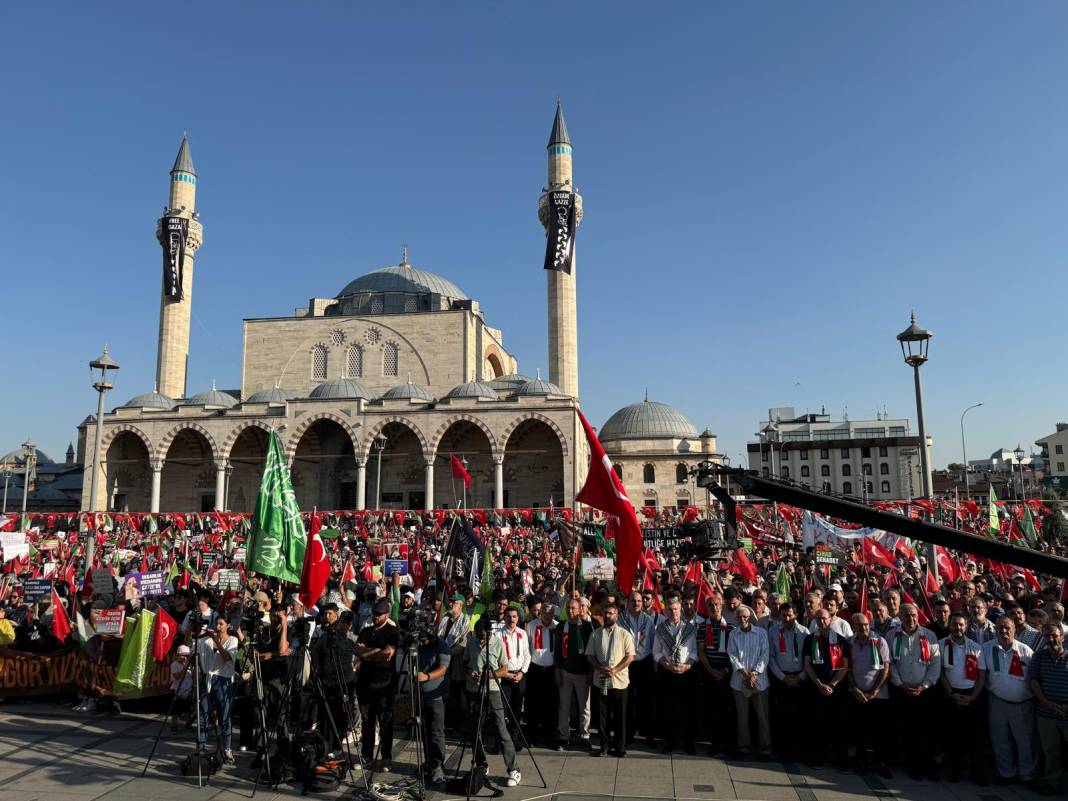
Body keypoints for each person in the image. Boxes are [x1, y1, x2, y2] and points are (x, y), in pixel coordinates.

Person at [464, 616, 521, 788]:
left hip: (493, 690)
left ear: (490, 633)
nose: (482, 639)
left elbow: (504, 669)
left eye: (485, 637)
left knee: (500, 728)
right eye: (479, 636)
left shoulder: (497, 643)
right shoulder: (471, 642)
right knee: (474, 729)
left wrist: (487, 675)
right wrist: (471, 673)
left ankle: (513, 769)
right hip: (474, 690)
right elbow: (465, 663)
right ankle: (481, 763)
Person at [983, 616, 1040, 788]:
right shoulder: (986, 649)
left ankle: (1027, 775)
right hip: (997, 701)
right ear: (995, 629)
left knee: (1026, 742)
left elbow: (1035, 678)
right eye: (1000, 627)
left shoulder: (1026, 651)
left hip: (1022, 704)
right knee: (1000, 740)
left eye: (1007, 627)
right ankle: (1006, 773)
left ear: (1015, 630)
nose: (1004, 631)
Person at [889, 603, 941, 781]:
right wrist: (899, 683)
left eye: (913, 615)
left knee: (927, 731)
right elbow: (891, 664)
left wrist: (924, 686)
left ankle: (929, 765)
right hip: (903, 691)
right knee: (908, 731)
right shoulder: (892, 636)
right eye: (906, 615)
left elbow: (935, 664)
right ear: (900, 617)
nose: (910, 619)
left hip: (924, 692)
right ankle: (915, 766)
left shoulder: (929, 635)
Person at [938, 611, 987, 785]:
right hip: (952, 695)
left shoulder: (976, 647)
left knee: (975, 737)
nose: (957, 627)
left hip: (972, 696)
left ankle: (977, 773)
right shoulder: (941, 644)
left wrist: (973, 697)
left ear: (966, 627)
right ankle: (955, 771)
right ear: (949, 625)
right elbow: (941, 673)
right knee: (954, 736)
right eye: (954, 624)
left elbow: (981, 675)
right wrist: (951, 693)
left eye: (961, 624)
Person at [354, 597, 399, 771]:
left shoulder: (391, 632)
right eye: (374, 613)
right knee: (367, 720)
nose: (375, 617)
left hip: (384, 683)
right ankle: (367, 755)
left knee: (385, 720)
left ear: (387, 615)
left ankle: (386, 757)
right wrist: (373, 653)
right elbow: (357, 650)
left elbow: (387, 653)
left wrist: (368, 654)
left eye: (379, 614)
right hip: (366, 681)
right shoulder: (366, 631)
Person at [585, 602, 635, 757]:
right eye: (606, 613)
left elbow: (630, 656)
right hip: (601, 681)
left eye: (611, 613)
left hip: (619, 682)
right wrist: (599, 667)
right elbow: (589, 655)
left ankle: (620, 747)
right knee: (603, 717)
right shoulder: (596, 634)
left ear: (616, 616)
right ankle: (604, 746)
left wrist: (615, 669)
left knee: (620, 716)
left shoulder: (625, 634)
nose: (608, 616)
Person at [846, 612, 892, 778]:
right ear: (854, 628)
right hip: (858, 694)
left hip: (878, 696)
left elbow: (886, 669)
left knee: (879, 732)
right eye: (860, 626)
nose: (864, 628)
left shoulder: (879, 641)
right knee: (860, 731)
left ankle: (881, 763)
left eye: (866, 625)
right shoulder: (850, 643)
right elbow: (847, 669)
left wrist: (874, 691)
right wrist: (855, 689)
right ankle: (862, 762)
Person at [803, 609, 848, 768]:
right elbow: (807, 664)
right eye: (818, 619)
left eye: (824, 618)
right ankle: (820, 756)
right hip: (817, 688)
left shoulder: (840, 640)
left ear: (830, 619)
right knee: (818, 723)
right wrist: (819, 684)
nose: (821, 621)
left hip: (835, 689)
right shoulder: (810, 639)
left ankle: (840, 758)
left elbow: (844, 667)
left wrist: (832, 685)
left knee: (837, 724)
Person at [1027, 622, 1068, 795]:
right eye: (1047, 636)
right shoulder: (1038, 656)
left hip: (1067, 714)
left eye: (1054, 635)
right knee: (1051, 752)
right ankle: (1053, 783)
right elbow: (1034, 681)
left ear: (1062, 637)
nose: (1050, 639)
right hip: (1046, 714)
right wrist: (1046, 703)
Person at [653, 596, 698, 755]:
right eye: (670, 610)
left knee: (688, 709)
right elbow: (656, 653)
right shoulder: (660, 628)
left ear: (681, 610)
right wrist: (668, 665)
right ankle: (670, 741)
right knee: (669, 709)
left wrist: (686, 666)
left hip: (686, 672)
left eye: (676, 609)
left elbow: (694, 652)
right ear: (665, 611)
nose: (674, 612)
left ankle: (689, 742)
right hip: (668, 672)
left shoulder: (690, 628)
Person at [311, 603, 356, 754]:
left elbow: (362, 653)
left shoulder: (352, 639)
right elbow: (316, 651)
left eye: (348, 623)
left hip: (345, 683)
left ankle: (337, 747)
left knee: (341, 716)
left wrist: (356, 664)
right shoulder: (327, 636)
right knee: (325, 716)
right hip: (327, 682)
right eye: (343, 622)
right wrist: (316, 669)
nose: (345, 626)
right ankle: (324, 745)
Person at [727, 605, 771, 759]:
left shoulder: (761, 633)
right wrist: (745, 673)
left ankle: (765, 749)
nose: (742, 619)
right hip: (739, 681)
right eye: (739, 617)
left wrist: (754, 673)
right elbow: (732, 655)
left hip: (759, 681)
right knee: (742, 717)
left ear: (750, 617)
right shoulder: (733, 634)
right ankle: (744, 747)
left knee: (762, 717)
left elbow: (765, 654)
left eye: (745, 616)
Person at [767, 601, 808, 760]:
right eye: (784, 615)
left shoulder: (804, 632)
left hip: (799, 677)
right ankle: (781, 749)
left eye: (790, 615)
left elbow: (807, 659)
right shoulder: (773, 631)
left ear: (796, 615)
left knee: (798, 716)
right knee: (780, 716)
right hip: (781, 678)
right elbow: (771, 657)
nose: (787, 618)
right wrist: (783, 678)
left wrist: (801, 677)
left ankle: (797, 749)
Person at [195, 616, 238, 763]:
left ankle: (226, 748)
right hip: (207, 679)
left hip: (223, 680)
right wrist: (196, 630)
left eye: (221, 624)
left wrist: (215, 639)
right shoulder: (206, 640)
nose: (218, 626)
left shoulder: (233, 640)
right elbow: (191, 642)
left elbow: (227, 657)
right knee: (203, 715)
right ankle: (200, 748)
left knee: (224, 716)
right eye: (217, 624)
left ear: (228, 626)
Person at [697, 593, 735, 756]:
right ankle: (714, 743)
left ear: (722, 606)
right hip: (709, 671)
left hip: (726, 671)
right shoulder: (702, 627)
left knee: (726, 709)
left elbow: (734, 652)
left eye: (717, 605)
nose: (714, 608)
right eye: (711, 606)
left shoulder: (731, 628)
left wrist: (726, 670)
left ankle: (728, 743)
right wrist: (711, 671)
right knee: (711, 708)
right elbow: (701, 652)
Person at [554, 598, 593, 751]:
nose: (571, 611)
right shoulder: (560, 627)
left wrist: (590, 672)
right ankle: (564, 736)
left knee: (584, 707)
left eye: (574, 608)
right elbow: (557, 651)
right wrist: (557, 672)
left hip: (583, 674)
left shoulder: (586, 627)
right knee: (564, 706)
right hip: (565, 672)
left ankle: (584, 735)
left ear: (579, 610)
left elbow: (591, 652)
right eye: (569, 608)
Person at [618, 590, 656, 746]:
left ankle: (648, 735)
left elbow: (653, 642)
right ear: (628, 602)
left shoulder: (648, 620)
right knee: (627, 701)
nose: (636, 604)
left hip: (644, 662)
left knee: (646, 701)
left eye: (639, 601)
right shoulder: (621, 619)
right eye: (633, 601)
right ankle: (628, 734)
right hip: (627, 664)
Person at [416, 624, 451, 786]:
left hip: (436, 695)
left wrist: (427, 676)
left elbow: (443, 669)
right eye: (420, 640)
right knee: (424, 730)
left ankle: (438, 766)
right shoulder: (419, 644)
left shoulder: (442, 646)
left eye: (424, 640)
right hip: (421, 694)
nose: (421, 643)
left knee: (436, 732)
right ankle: (429, 762)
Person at [524, 599, 558, 746]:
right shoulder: (531, 626)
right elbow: (527, 648)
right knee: (533, 704)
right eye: (545, 612)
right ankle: (532, 735)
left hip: (551, 670)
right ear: (540, 612)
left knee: (550, 704)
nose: (547, 615)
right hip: (535, 669)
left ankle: (548, 735)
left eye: (550, 613)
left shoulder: (557, 626)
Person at [498, 606, 530, 737]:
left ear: (518, 618)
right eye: (509, 616)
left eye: (514, 616)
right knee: (502, 710)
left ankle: (515, 737)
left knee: (517, 710)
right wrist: (506, 674)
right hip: (504, 676)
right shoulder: (497, 635)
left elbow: (527, 655)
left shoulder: (522, 633)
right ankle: (501, 739)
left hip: (519, 676)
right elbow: (495, 659)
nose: (511, 619)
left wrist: (522, 672)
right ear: (504, 617)